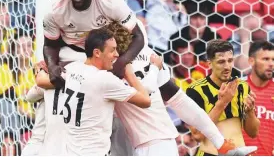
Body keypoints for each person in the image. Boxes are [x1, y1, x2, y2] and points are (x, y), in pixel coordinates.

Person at [108, 22, 258, 156]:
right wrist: (154, 68)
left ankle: (223, 145)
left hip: (154, 144)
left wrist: (219, 142)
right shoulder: (149, 58)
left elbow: (177, 100)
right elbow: (150, 91)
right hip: (147, 143)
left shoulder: (119, 66)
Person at [43, 0, 145, 89]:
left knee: (149, 83)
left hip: (109, 57)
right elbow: (49, 45)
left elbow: (139, 37)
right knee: (40, 86)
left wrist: (120, 64)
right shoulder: (53, 9)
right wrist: (52, 66)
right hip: (73, 54)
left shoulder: (110, 1)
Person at [62, 28, 151, 155]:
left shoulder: (72, 69)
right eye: (112, 50)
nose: (117, 55)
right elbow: (146, 101)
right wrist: (130, 74)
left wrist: (41, 68)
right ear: (97, 53)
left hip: (71, 152)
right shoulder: (105, 79)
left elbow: (43, 80)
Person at [186, 39, 260, 156]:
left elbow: (253, 133)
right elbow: (198, 135)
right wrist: (222, 103)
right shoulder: (195, 90)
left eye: (230, 61)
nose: (227, 66)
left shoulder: (242, 87)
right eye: (221, 62)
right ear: (209, 63)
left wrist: (250, 112)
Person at [243, 40, 274, 156]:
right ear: (251, 61)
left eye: (273, 59)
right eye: (266, 59)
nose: (271, 64)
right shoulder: (237, 89)